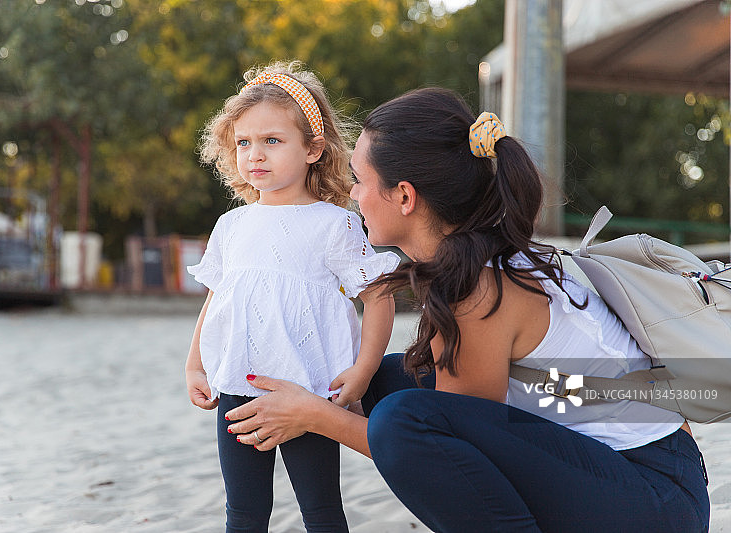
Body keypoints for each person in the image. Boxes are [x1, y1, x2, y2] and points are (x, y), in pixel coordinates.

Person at [224, 87, 711, 532]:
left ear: (405, 196)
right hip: (632, 469)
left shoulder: (480, 288)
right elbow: (466, 425)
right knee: (389, 381)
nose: (352, 194)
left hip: (655, 497)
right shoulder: (473, 260)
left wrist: (316, 416)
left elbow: (434, 442)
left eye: (360, 180)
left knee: (403, 420)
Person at [184, 60, 399, 533]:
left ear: (313, 148)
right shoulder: (231, 225)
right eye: (244, 142)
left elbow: (380, 297)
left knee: (321, 509)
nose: (255, 154)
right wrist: (195, 363)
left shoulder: (334, 222)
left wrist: (363, 371)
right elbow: (218, 297)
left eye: (272, 141)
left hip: (310, 389)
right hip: (238, 385)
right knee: (243, 510)